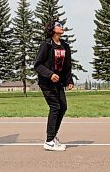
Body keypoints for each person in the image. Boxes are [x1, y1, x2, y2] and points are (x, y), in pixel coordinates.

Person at [34, 19, 74, 151]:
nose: (62, 27)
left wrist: (69, 81)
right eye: (59, 25)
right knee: (55, 107)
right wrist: (50, 74)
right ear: (52, 29)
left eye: (62, 26)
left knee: (63, 107)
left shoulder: (65, 46)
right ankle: (49, 141)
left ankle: (52, 137)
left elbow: (67, 66)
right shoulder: (46, 45)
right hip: (47, 83)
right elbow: (38, 65)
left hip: (59, 83)